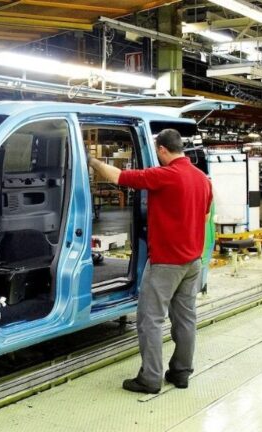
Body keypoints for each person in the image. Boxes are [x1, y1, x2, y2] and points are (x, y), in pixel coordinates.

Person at [88, 129, 212, 394]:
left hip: (167, 262)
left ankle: (150, 378)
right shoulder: (203, 179)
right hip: (193, 262)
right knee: (186, 319)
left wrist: (93, 162)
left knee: (150, 319)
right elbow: (203, 216)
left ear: (162, 150)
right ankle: (181, 373)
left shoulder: (164, 176)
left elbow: (118, 177)